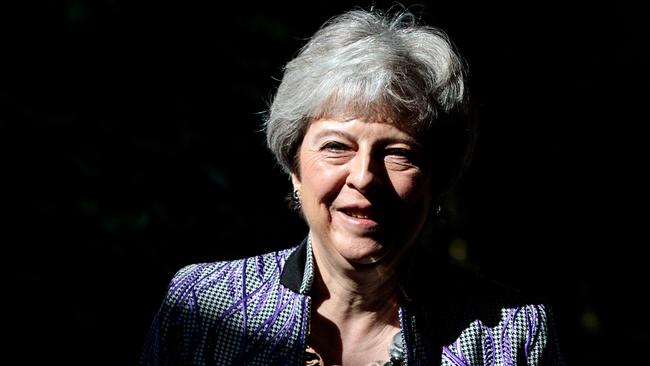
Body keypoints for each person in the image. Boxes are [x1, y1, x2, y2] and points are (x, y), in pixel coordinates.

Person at [140, 6, 563, 366]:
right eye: (337, 147)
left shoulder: (511, 336)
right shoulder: (201, 306)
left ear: (437, 181)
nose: (364, 177)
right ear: (294, 166)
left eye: (400, 153)